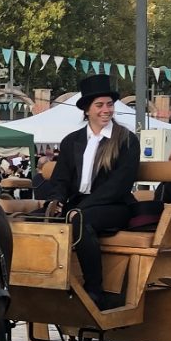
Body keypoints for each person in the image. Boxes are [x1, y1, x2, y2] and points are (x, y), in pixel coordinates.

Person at [48, 75, 140, 309]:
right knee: (37, 219)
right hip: (78, 204)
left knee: (79, 219)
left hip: (115, 206)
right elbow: (61, 177)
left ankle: (94, 290)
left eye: (109, 104)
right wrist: (57, 200)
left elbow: (120, 184)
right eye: (99, 105)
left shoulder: (126, 139)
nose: (106, 110)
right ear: (87, 110)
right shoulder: (72, 141)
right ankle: (44, 282)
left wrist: (79, 208)